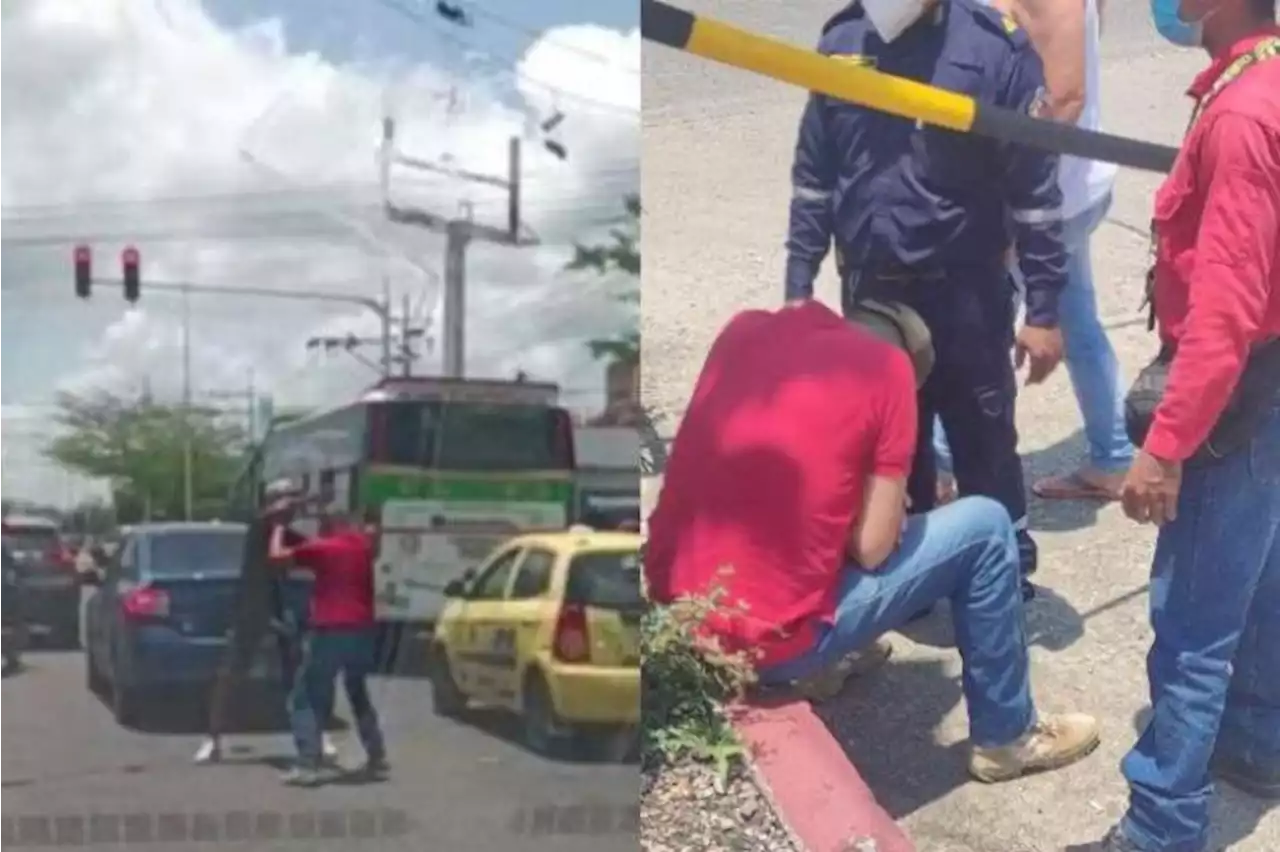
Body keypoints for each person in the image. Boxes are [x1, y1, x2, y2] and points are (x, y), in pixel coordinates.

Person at [647, 302, 1100, 780]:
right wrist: (887, 497)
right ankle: (1008, 736)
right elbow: (872, 548)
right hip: (768, 652)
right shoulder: (889, 372)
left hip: (679, 620)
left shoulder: (743, 330)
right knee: (986, 527)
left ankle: (831, 662)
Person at [1071, 1, 1280, 849]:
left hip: (1239, 404)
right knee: (1261, 587)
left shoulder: (1241, 114)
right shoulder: (1259, 81)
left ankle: (1161, 824)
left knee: (1192, 624)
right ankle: (1257, 743)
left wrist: (1163, 449)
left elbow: (1224, 312)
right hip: (1268, 394)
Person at [785, 0, 1069, 601]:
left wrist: (1043, 309)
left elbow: (1036, 192)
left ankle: (1003, 570)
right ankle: (906, 573)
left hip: (964, 292)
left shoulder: (995, 48)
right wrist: (797, 289)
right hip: (871, 291)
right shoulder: (844, 40)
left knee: (983, 436)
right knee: (890, 442)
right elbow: (815, 177)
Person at [933, 0, 1134, 502]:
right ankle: (1113, 454)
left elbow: (1064, 99)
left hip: (1042, 199)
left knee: (970, 321)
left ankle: (938, 465)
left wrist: (1008, 195)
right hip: (1067, 189)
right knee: (1078, 318)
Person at [192, 480, 337, 765]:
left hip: (282, 610)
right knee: (231, 676)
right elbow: (275, 519)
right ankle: (212, 739)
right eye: (288, 501)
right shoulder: (259, 528)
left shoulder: (287, 533)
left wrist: (321, 511)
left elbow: (318, 549)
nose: (292, 509)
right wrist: (302, 501)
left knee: (303, 676)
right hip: (251, 611)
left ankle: (317, 735)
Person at [269, 508, 388, 787]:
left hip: (331, 629)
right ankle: (376, 752)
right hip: (363, 629)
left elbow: (277, 558)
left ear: (329, 526)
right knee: (357, 690)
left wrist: (277, 528)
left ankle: (308, 764)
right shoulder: (361, 546)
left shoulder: (323, 548)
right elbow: (375, 544)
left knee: (304, 695)